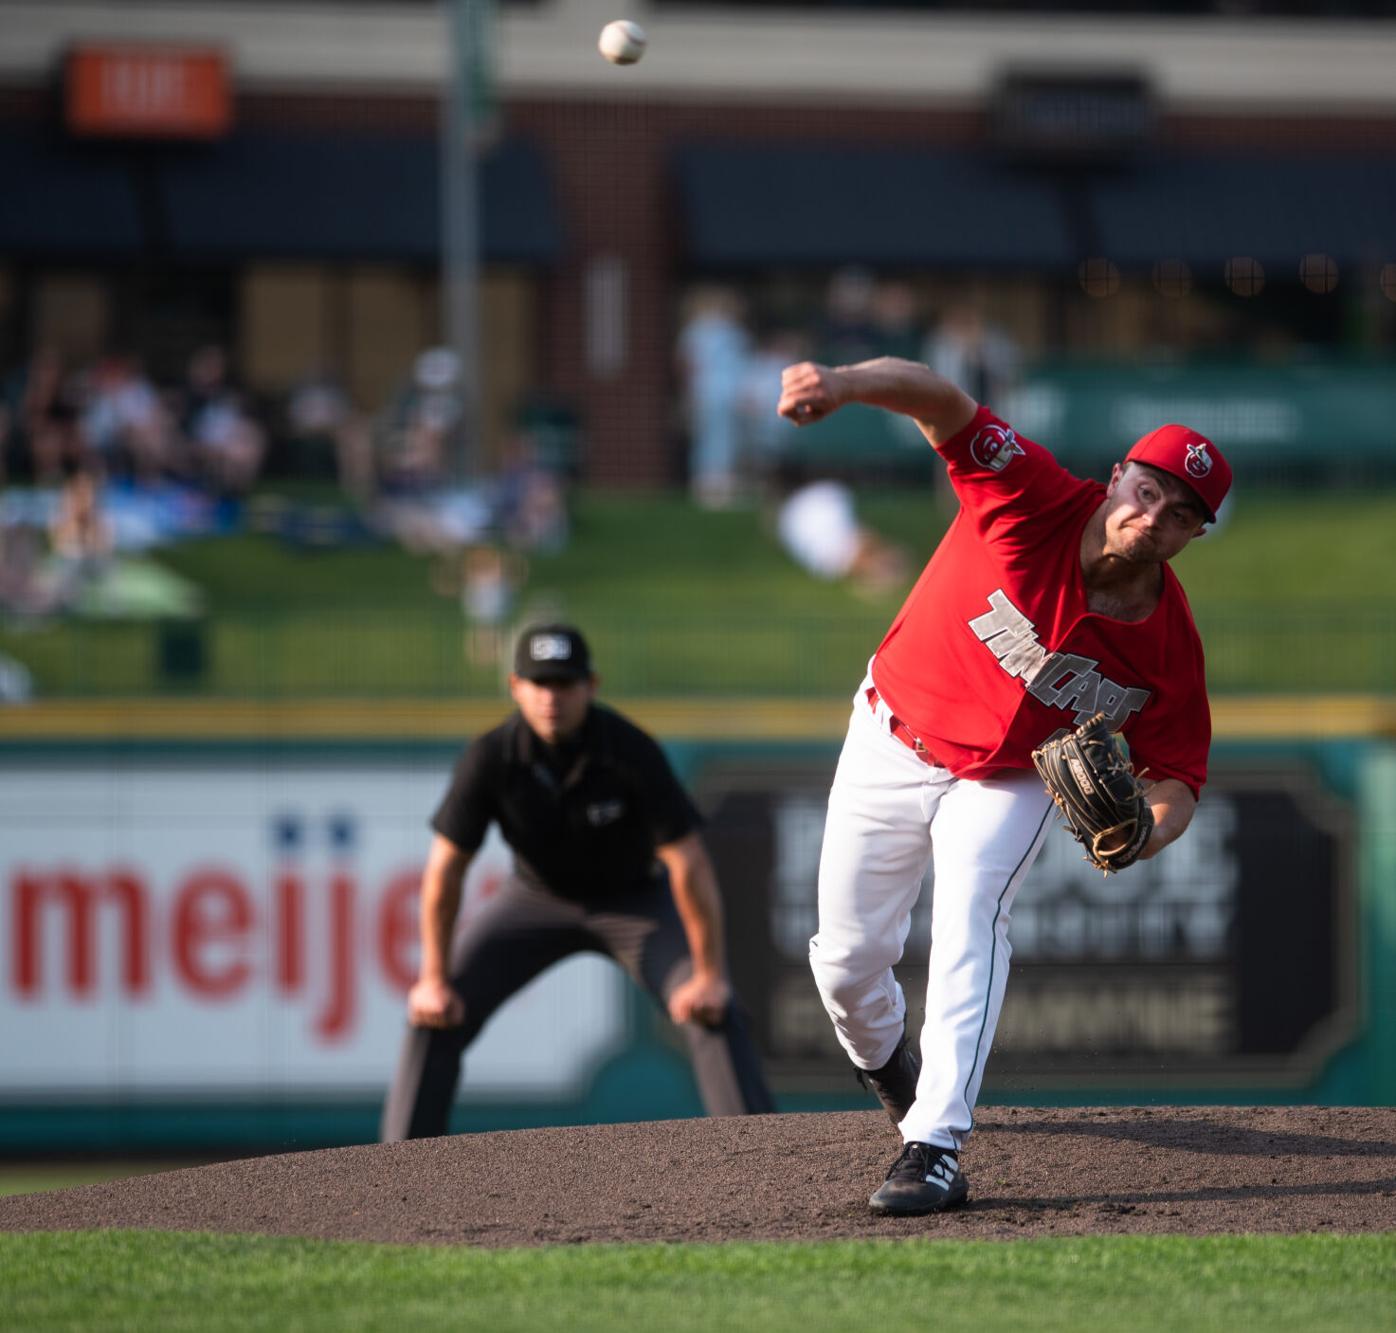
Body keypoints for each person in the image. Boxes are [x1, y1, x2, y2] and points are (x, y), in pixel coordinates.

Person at [775, 356, 1231, 1217]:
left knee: (975, 913)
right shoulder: (1029, 493)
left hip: (1009, 780)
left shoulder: (1169, 645)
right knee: (845, 965)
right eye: (1148, 488)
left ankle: (937, 1142)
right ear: (1115, 478)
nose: (1154, 513)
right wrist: (841, 382)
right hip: (891, 733)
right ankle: (902, 1084)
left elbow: (1179, 777)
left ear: (1192, 537)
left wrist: (1144, 832)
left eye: (1181, 512)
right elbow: (942, 400)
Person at [381, 623, 775, 1140]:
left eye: (565, 683)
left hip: (635, 903)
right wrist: (431, 977)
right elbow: (444, 872)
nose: (552, 697)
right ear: (515, 686)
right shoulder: (491, 757)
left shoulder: (628, 750)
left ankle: (762, 1156)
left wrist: (709, 973)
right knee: (436, 1012)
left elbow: (689, 863)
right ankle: (396, 1166)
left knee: (710, 1010)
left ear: (591, 685)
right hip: (533, 901)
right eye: (539, 683)